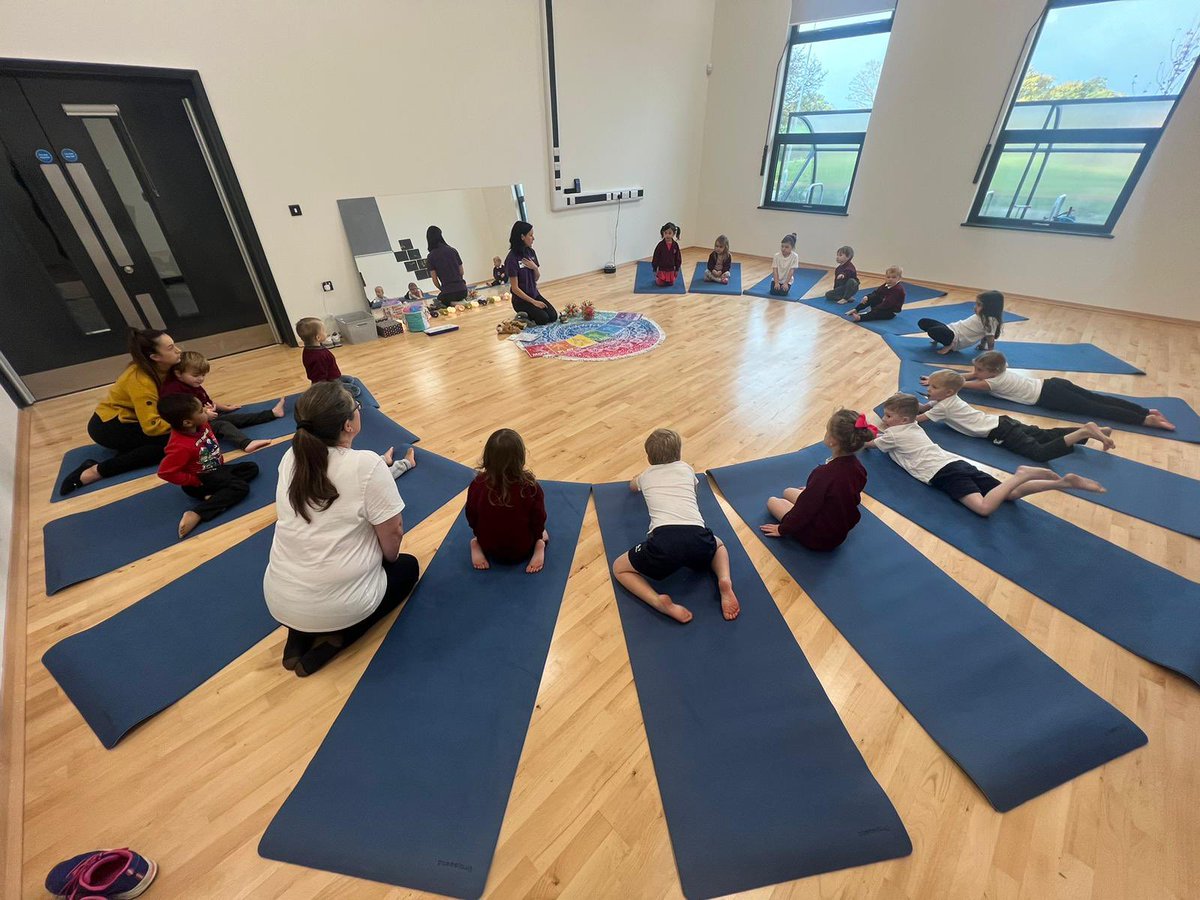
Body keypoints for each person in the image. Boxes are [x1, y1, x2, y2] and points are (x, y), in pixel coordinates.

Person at [263, 383, 420, 677]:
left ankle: (299, 634)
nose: (359, 411)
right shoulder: (365, 465)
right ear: (348, 425)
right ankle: (340, 638)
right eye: (357, 408)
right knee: (407, 568)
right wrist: (388, 561)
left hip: (280, 598)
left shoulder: (291, 458)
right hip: (340, 607)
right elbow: (393, 533)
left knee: (313, 577)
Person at [867, 393, 1104, 516]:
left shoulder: (893, 435)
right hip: (955, 463)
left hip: (942, 473)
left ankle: (1022, 474)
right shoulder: (913, 426)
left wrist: (864, 434)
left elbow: (870, 445)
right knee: (1009, 494)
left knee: (984, 508)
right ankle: (1062, 483)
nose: (884, 419)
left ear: (903, 419)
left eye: (888, 416)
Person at [611, 428, 740, 623]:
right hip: (697, 537)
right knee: (719, 546)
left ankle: (657, 601)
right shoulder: (686, 469)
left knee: (619, 568)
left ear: (649, 458)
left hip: (664, 544)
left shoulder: (646, 475)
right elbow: (694, 490)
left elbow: (632, 486)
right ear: (678, 453)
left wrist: (638, 479)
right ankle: (724, 579)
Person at [59, 328, 182, 496]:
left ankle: (128, 452)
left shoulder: (166, 368)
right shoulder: (141, 381)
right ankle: (95, 471)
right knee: (168, 446)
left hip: (136, 419)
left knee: (180, 436)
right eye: (171, 348)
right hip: (110, 426)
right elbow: (152, 426)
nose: (178, 350)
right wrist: (184, 422)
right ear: (155, 357)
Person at [945, 351, 1177, 430]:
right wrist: (964, 374)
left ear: (993, 371)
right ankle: (1146, 410)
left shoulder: (991, 383)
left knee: (1096, 408)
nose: (975, 372)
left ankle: (1144, 420)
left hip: (1050, 397)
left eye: (979, 369)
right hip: (1053, 384)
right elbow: (971, 377)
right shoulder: (998, 373)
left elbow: (961, 384)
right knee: (1098, 398)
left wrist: (944, 381)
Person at [919, 369, 1114, 461]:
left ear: (948, 392)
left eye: (934, 387)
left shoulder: (943, 407)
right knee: (1044, 434)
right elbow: (923, 408)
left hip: (1001, 432)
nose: (929, 389)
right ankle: (1094, 431)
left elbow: (918, 419)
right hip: (1002, 422)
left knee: (1039, 453)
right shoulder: (943, 401)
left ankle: (1083, 432)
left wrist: (902, 418)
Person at [760, 409, 874, 549]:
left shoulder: (823, 474)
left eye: (827, 431)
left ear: (833, 441)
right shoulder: (858, 468)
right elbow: (845, 494)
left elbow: (805, 509)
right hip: (839, 529)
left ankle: (801, 524)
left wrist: (782, 529)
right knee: (788, 491)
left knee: (773, 501)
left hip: (819, 537)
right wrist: (814, 491)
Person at [156, 393, 261, 538]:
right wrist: (192, 480)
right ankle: (198, 513)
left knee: (251, 468)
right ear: (188, 423)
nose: (206, 411)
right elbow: (165, 472)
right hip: (201, 481)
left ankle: (216, 494)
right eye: (201, 411)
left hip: (216, 470)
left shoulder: (202, 425)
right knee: (241, 487)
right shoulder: (179, 446)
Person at [160, 350, 282, 452]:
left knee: (236, 418)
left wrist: (226, 408)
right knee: (223, 425)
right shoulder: (174, 391)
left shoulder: (192, 384)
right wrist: (205, 414)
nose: (201, 379)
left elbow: (208, 402)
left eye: (203, 375)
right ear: (178, 374)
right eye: (196, 375)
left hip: (205, 416)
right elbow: (185, 416)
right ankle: (245, 443)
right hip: (196, 426)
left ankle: (272, 413)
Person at [465, 429, 549, 573]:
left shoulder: (478, 484)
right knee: (541, 536)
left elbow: (471, 515)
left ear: (487, 457)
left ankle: (476, 543)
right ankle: (539, 544)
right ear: (520, 458)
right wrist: (538, 535)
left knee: (486, 531)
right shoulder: (530, 487)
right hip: (522, 549)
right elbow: (538, 518)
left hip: (488, 545)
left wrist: (478, 532)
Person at [505, 221, 559, 325]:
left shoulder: (531, 252)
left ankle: (532, 312)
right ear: (522, 237)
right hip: (521, 301)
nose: (533, 238)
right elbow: (515, 289)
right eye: (530, 235)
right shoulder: (512, 258)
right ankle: (522, 317)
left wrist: (535, 268)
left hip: (534, 294)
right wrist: (534, 302)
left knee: (553, 316)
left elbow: (536, 278)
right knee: (543, 319)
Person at [295, 317, 363, 399]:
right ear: (318, 337)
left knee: (350, 379)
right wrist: (328, 390)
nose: (326, 333)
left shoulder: (310, 348)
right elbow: (320, 378)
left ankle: (335, 383)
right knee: (356, 390)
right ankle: (332, 392)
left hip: (332, 376)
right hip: (328, 384)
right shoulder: (318, 357)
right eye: (324, 331)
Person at [919, 290, 1005, 354]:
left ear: (990, 307)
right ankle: (940, 338)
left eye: (979, 305)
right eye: (976, 304)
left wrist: (990, 353)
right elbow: (985, 335)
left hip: (955, 339)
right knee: (923, 322)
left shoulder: (990, 321)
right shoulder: (982, 315)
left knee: (933, 331)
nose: (975, 307)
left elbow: (990, 337)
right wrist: (982, 346)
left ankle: (949, 345)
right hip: (950, 329)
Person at [426, 225, 469, 305]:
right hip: (463, 291)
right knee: (456, 296)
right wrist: (460, 283)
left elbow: (435, 280)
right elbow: (461, 272)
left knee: (439, 299)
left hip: (448, 293)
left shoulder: (431, 256)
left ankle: (453, 303)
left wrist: (442, 289)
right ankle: (461, 301)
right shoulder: (453, 250)